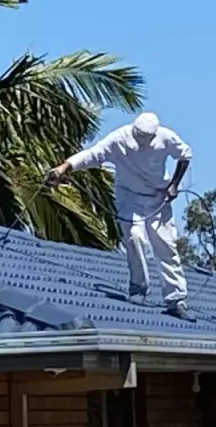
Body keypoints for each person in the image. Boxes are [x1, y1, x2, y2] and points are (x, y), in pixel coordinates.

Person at [45, 112, 195, 321]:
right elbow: (93, 154)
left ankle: (176, 299)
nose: (141, 140)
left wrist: (174, 185)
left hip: (158, 198)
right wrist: (65, 167)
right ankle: (138, 288)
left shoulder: (166, 137)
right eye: (139, 135)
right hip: (129, 197)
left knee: (165, 245)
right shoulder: (119, 139)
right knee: (134, 236)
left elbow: (185, 155)